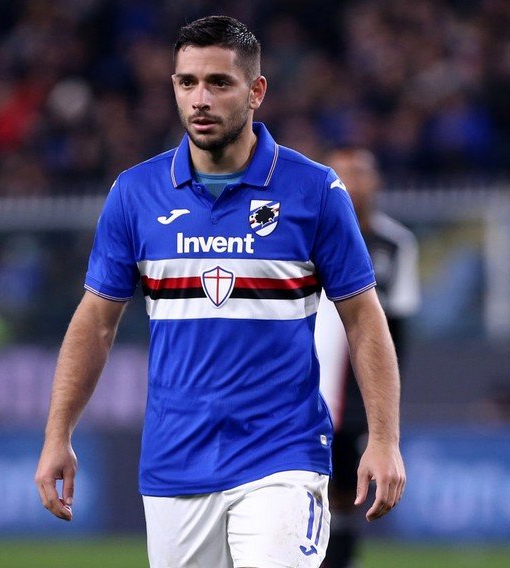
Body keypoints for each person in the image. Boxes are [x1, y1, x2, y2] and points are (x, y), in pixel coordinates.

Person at [34, 16, 405, 567]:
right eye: (187, 82)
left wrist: (384, 438)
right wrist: (57, 434)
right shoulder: (135, 193)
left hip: (283, 456)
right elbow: (96, 322)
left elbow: (364, 318)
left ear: (256, 91)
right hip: (175, 463)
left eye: (219, 83)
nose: (200, 99)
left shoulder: (315, 190)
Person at [314, 148, 419, 568]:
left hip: (358, 389)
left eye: (359, 172)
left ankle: (342, 558)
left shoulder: (395, 243)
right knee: (309, 483)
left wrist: (388, 394)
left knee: (346, 487)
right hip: (308, 381)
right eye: (342, 172)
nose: (351, 182)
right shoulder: (305, 231)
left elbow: (398, 324)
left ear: (376, 180)